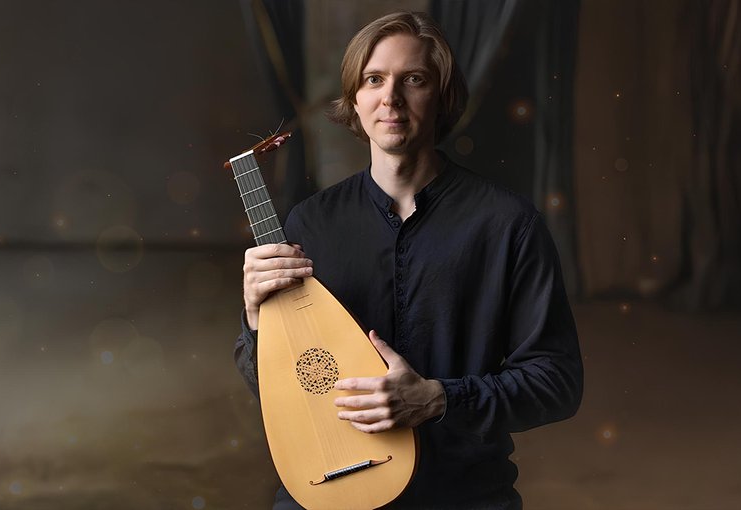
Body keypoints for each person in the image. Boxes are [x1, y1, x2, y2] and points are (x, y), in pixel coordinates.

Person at [235, 11, 583, 509]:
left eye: (413, 80)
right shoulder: (309, 224)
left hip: (460, 494)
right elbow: (280, 385)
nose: (391, 98)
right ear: (355, 98)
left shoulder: (509, 224)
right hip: (330, 486)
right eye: (374, 79)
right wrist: (256, 321)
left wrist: (439, 398)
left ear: (442, 96)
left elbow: (559, 383)